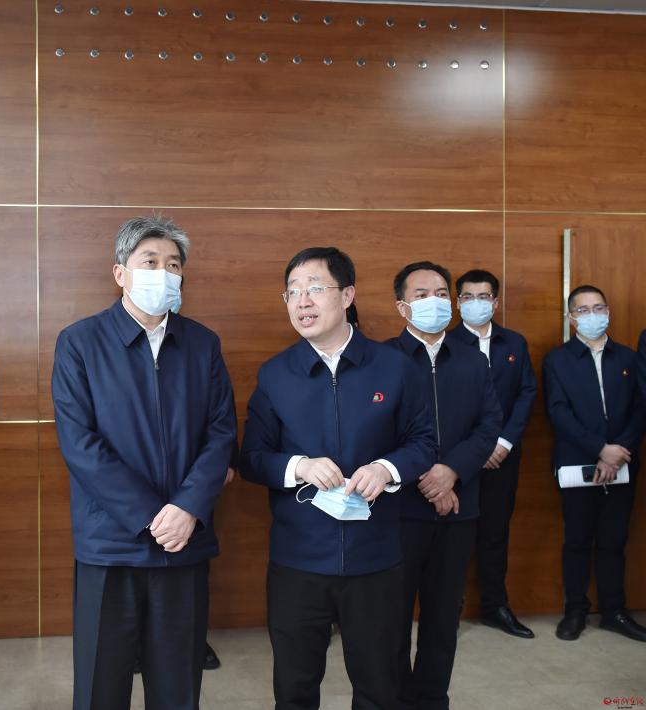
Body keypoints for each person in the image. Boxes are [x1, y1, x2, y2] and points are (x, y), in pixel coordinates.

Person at [52, 216, 237, 710]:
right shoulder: (80, 342)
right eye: (150, 262)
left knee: (178, 687)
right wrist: (151, 516)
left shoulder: (202, 343)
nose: (163, 273)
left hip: (184, 542)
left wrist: (187, 508)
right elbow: (80, 444)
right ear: (121, 273)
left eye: (173, 265)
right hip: (110, 543)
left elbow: (221, 433)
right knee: (101, 687)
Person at [240, 246, 436, 710]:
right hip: (298, 560)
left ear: (347, 295)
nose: (302, 301)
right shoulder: (276, 374)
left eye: (314, 288)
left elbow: (424, 442)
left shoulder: (394, 367)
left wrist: (386, 469)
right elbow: (253, 458)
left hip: (376, 558)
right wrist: (299, 466)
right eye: (292, 292)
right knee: (294, 688)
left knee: (380, 687)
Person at [388, 261, 502, 710]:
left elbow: (488, 424)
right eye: (421, 295)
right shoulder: (383, 359)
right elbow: (378, 431)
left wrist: (451, 471)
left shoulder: (472, 358)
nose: (433, 302)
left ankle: (433, 699)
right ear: (402, 306)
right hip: (401, 510)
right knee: (393, 617)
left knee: (442, 616)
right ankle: (397, 699)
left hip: (459, 507)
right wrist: (429, 479)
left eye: (440, 294)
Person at [544, 285, 646, 642]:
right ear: (571, 317)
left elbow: (641, 408)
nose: (593, 315)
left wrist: (619, 451)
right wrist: (601, 449)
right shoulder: (557, 360)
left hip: (624, 462)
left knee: (614, 540)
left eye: (599, 308)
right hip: (577, 463)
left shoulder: (629, 358)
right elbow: (559, 412)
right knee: (577, 539)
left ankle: (614, 611)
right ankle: (575, 610)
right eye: (583, 310)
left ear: (609, 312)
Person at [446, 269, 537, 638]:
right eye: (468, 297)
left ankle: (495, 606)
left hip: (503, 457)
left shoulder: (514, 343)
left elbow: (526, 394)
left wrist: (503, 442)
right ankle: (448, 607)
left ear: (495, 302)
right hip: (460, 459)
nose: (476, 303)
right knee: (454, 536)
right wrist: (475, 449)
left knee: (496, 533)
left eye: (483, 297)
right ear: (458, 303)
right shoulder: (446, 343)